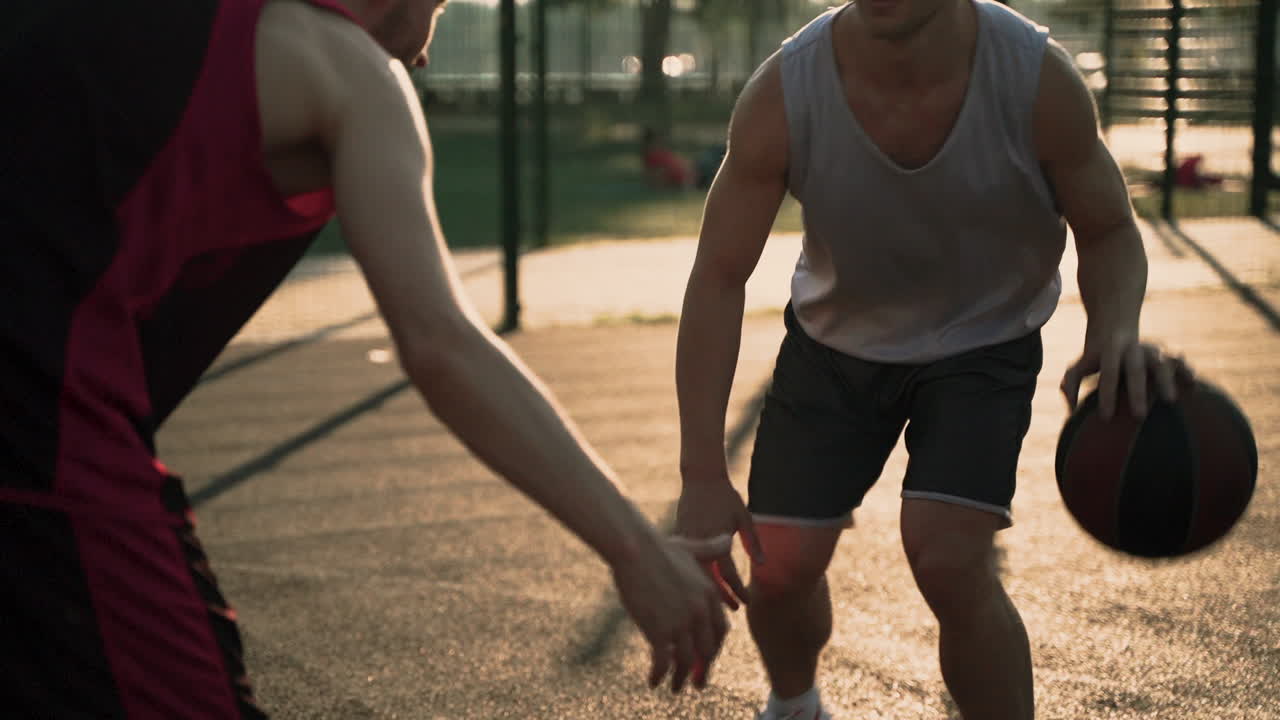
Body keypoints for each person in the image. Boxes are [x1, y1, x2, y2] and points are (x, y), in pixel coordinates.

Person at [0, 1, 735, 716]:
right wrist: (637, 550)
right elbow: (441, 343)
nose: (423, 51)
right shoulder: (347, 70)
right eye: (443, 9)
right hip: (44, 435)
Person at [673, 1, 1192, 718]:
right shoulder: (785, 93)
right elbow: (718, 275)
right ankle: (795, 706)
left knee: (949, 560)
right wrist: (701, 471)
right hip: (833, 348)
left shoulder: (1034, 78)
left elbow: (1106, 229)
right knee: (782, 566)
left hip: (984, 343)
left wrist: (1116, 330)